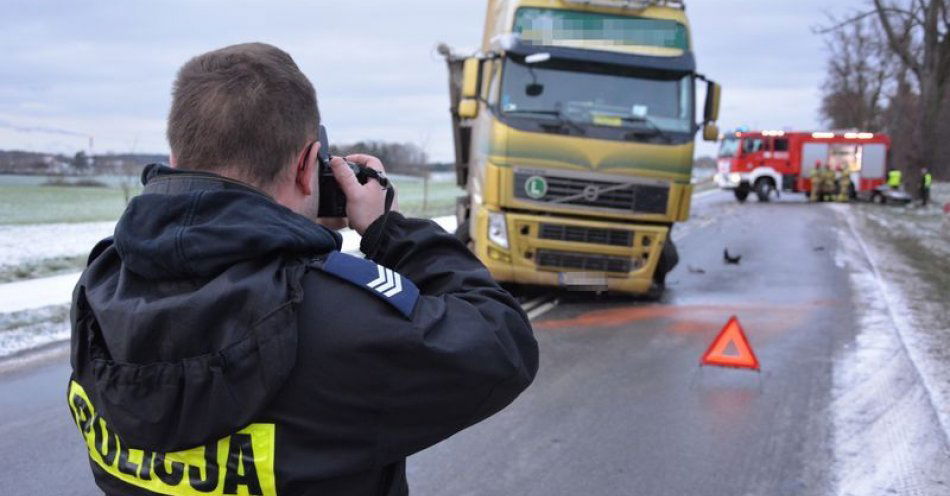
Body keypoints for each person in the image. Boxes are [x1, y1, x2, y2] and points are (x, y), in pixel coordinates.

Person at [66, 43, 539, 496]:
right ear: (308, 166)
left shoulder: (102, 284)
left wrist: (287, 226)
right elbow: (502, 342)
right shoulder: (339, 319)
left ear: (175, 158)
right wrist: (387, 230)